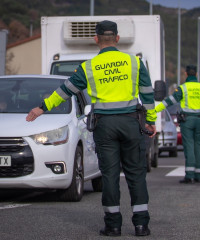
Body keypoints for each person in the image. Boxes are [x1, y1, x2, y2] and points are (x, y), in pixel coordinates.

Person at [26, 20, 157, 237]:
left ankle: (113, 225)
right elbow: (148, 94)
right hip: (131, 123)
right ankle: (141, 225)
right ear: (117, 38)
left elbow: (65, 91)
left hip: (105, 126)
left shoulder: (88, 67)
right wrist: (150, 120)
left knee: (110, 175)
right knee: (136, 174)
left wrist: (42, 108)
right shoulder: (134, 62)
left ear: (96, 39)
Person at [155, 65, 200, 183]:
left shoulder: (183, 88)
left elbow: (169, 102)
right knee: (197, 147)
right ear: (196, 74)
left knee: (189, 147)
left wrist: (155, 110)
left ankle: (189, 175)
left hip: (187, 121)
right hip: (199, 121)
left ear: (186, 74)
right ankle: (198, 175)